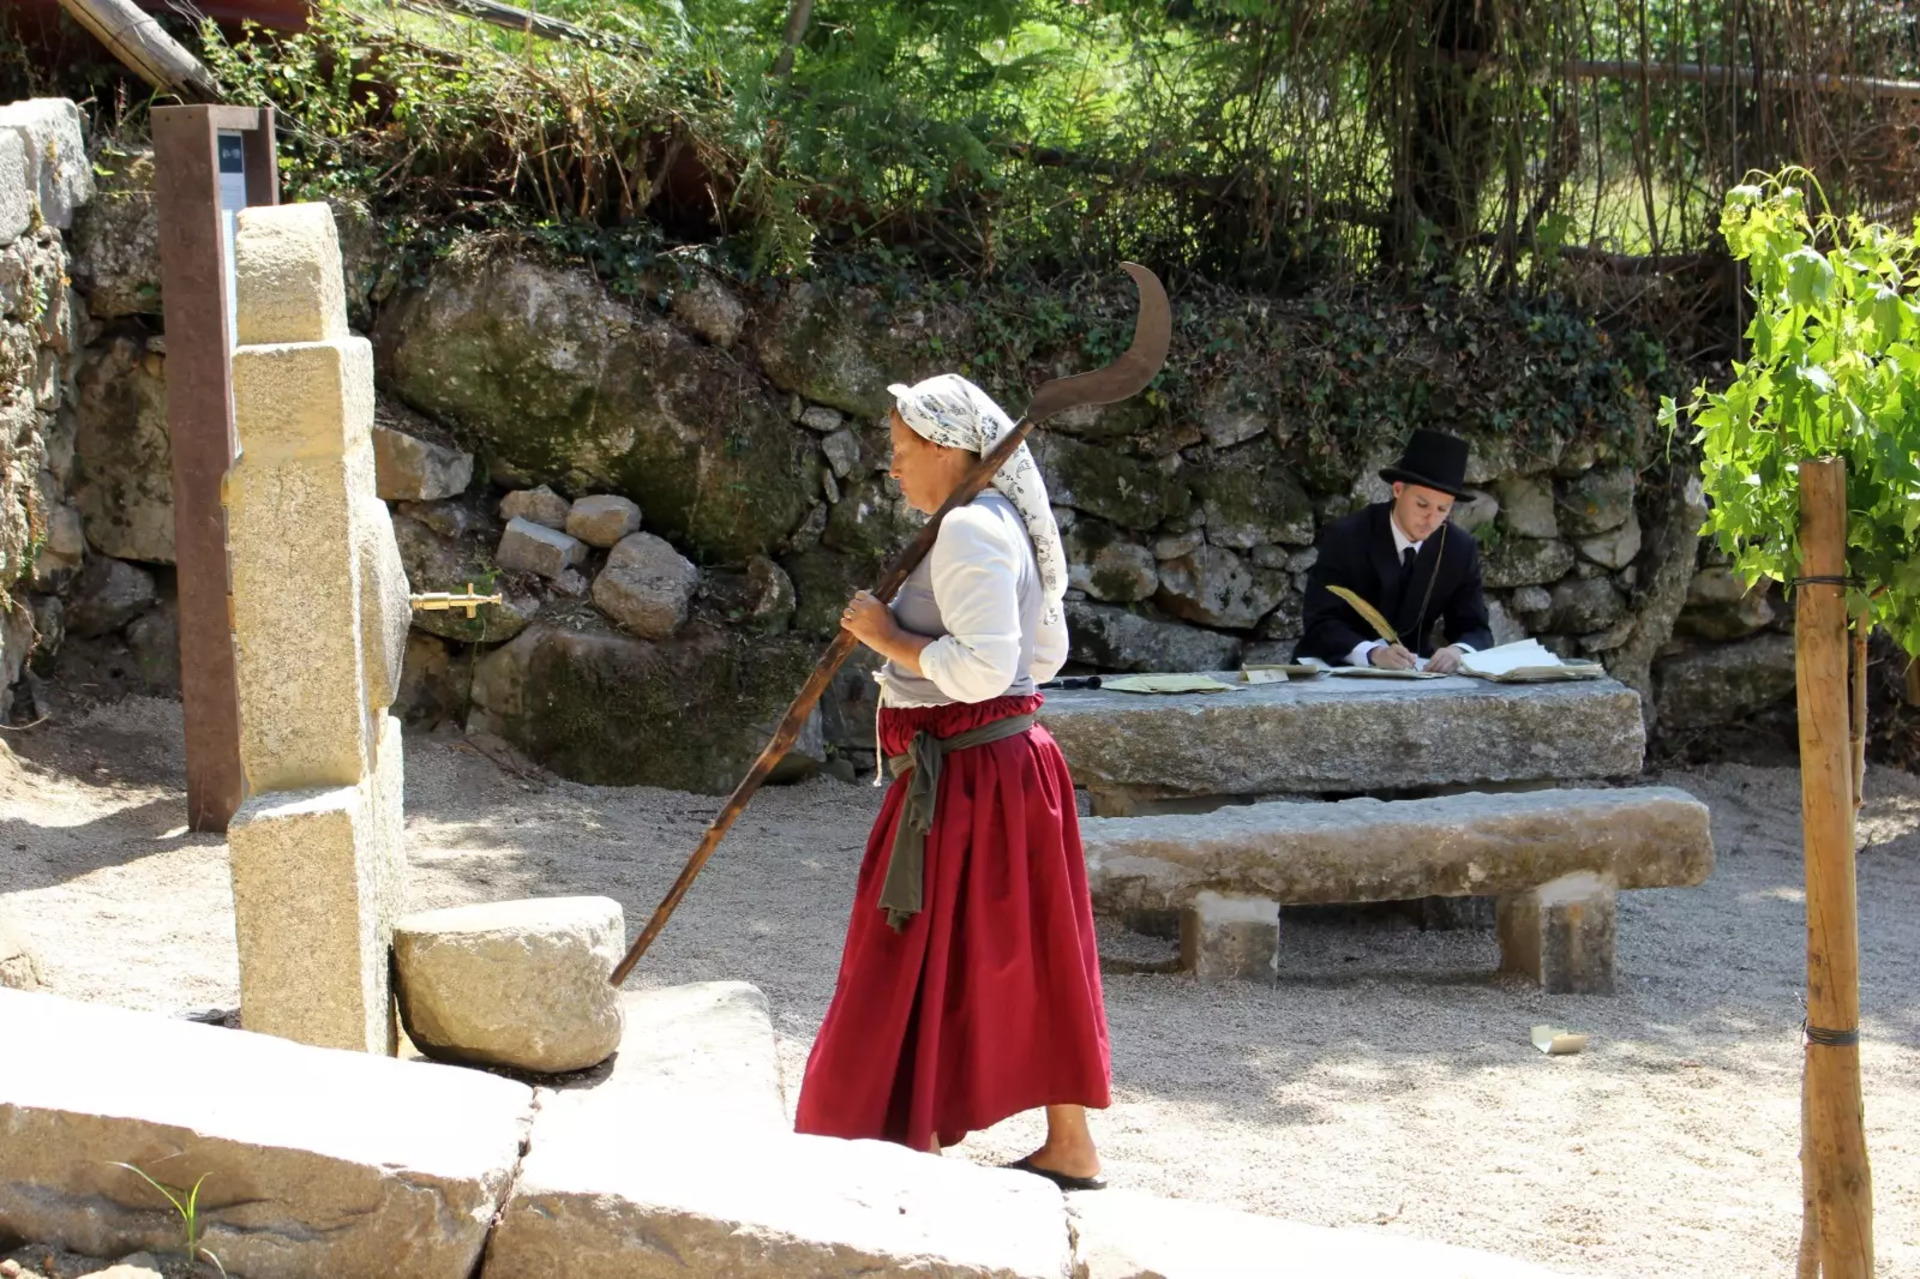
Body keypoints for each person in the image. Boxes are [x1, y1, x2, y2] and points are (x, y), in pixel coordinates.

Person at [793, 372, 1112, 1192]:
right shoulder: (989, 520)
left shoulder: (971, 528)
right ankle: (1065, 1145)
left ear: (944, 447)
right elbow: (1044, 657)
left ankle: (896, 1142)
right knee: (1029, 953)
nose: (893, 468)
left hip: (969, 779)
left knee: (903, 952)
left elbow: (986, 670)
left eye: (902, 452)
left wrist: (887, 634)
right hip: (1003, 772)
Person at [1294, 428, 1493, 671]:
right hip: (1336, 669)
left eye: (1443, 510)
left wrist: (1458, 651)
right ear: (1398, 490)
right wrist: (1373, 653)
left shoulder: (1458, 549)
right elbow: (1320, 621)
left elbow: (1475, 628)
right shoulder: (1348, 536)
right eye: (1422, 504)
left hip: (1414, 674)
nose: (1431, 519)